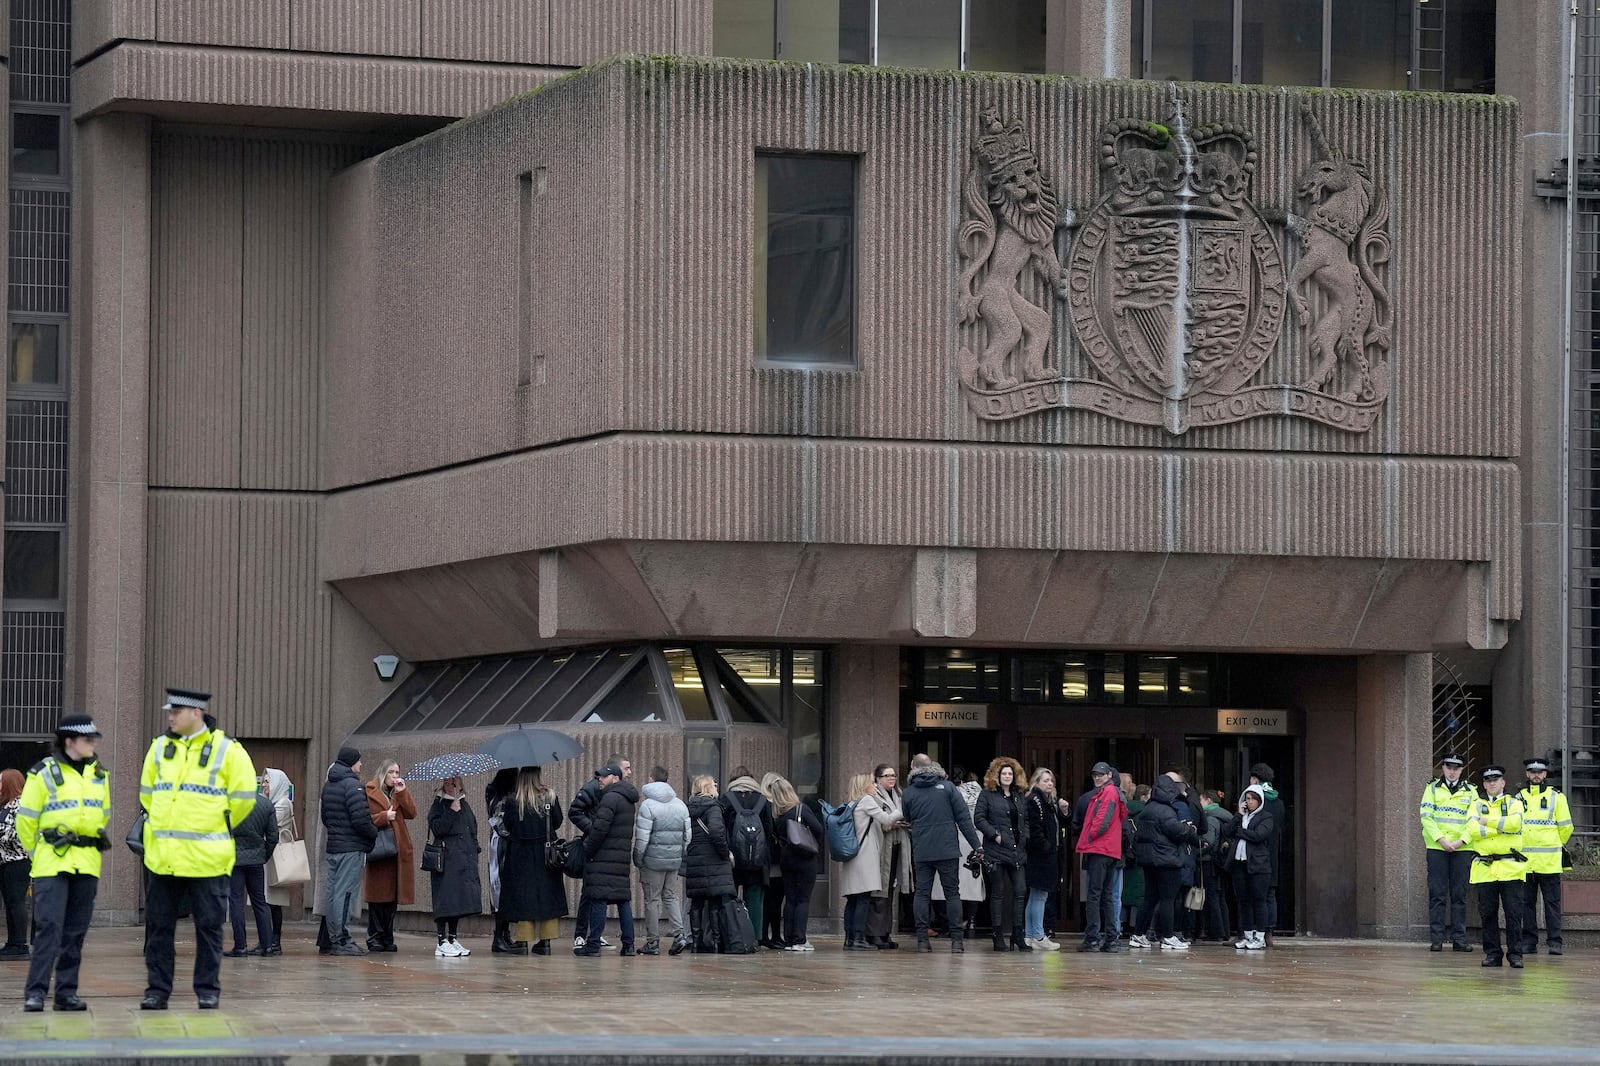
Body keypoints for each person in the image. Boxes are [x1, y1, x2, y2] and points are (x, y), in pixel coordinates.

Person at [138, 688, 257, 1010]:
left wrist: (215, 823)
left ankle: (207, 990)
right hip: (163, 859)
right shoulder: (159, 748)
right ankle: (157, 991)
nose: (170, 717)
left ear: (196, 714)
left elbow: (245, 798)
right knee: (159, 929)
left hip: (207, 860)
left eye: (175, 712)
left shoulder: (227, 750)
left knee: (209, 928)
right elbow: (147, 795)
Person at [15, 714, 111, 1011]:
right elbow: (25, 821)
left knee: (75, 932)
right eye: (87, 739)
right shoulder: (43, 772)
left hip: (87, 862)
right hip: (51, 863)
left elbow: (102, 814)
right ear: (69, 741)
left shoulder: (99, 774)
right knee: (49, 929)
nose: (92, 743)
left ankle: (66, 993)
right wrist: (37, 852)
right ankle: (35, 992)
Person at [902, 754, 984, 953]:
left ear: (914, 768)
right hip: (947, 848)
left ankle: (922, 940)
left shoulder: (909, 792)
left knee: (922, 894)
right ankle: (957, 941)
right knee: (952, 893)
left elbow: (908, 817)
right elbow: (963, 819)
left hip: (922, 848)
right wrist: (977, 846)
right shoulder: (948, 788)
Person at [1454, 765, 1526, 968]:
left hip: (1511, 867)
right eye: (1488, 781)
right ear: (1484, 784)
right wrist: (1499, 827)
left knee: (1513, 913)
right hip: (1485, 868)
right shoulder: (1476, 804)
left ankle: (1515, 955)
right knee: (1487, 914)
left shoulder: (1514, 802)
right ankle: (1493, 954)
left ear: (1503, 782)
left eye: (1496, 780)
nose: (1492, 783)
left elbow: (1515, 825)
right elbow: (1472, 830)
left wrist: (1486, 821)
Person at [497, 766, 566, 956]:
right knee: (547, 896)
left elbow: (507, 825)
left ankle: (522, 942)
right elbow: (557, 821)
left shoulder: (514, 800)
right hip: (546, 853)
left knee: (523, 896)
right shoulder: (549, 797)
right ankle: (545, 943)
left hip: (520, 855)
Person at [319, 746, 377, 957]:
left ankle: (334, 937)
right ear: (352, 762)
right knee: (345, 895)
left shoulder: (329, 785)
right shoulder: (353, 786)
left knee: (334, 894)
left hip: (334, 846)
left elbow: (325, 817)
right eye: (359, 761)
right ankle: (342, 939)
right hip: (351, 848)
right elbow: (361, 819)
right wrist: (374, 832)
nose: (361, 765)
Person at [576, 762, 639, 957]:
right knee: (623, 901)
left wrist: (587, 849)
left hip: (603, 857)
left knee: (598, 899)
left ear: (615, 778)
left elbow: (599, 829)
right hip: (620, 858)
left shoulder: (610, 798)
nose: (600, 780)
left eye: (604, 777)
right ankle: (628, 945)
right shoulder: (628, 799)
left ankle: (593, 944)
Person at [1129, 773, 1197, 951]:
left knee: (1149, 898)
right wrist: (1189, 829)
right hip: (1166, 860)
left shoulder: (1147, 810)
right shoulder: (1166, 811)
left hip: (1148, 860)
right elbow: (1177, 831)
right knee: (1168, 899)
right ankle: (1168, 936)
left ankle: (1138, 935)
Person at [1419, 753, 1476, 952]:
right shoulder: (1432, 788)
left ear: (1462, 770)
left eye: (1456, 768)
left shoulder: (1471, 791)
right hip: (1437, 847)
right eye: (1449, 767)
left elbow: (1474, 820)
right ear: (1443, 768)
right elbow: (1426, 816)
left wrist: (1461, 841)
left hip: (1462, 848)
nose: (1452, 771)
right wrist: (1442, 840)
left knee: (1459, 894)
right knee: (1437, 894)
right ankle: (1437, 939)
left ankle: (1459, 939)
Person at [1517, 756, 1572, 956]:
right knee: (1526, 905)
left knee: (1552, 904)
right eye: (1532, 772)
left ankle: (1555, 942)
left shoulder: (1557, 797)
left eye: (1539, 772)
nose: (1536, 775)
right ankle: (1529, 942)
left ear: (1545, 774)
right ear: (1527, 774)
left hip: (1549, 862)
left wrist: (1553, 844)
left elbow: (1566, 827)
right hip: (1526, 863)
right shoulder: (1518, 797)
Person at [634, 766, 690, 956]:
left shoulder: (648, 805)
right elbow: (687, 837)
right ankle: (680, 935)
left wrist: (638, 859)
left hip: (652, 861)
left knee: (652, 900)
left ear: (651, 779)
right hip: (673, 861)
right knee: (671, 896)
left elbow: (642, 839)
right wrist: (679, 854)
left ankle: (653, 942)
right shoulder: (680, 804)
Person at [974, 756, 1028, 952]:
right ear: (996, 775)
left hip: (1017, 851)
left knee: (1020, 891)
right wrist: (994, 835)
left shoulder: (1019, 795)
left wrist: (1025, 837)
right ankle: (997, 936)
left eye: (1010, 773)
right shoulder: (987, 794)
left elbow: (1025, 820)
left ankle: (1018, 934)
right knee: (997, 893)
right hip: (995, 850)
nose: (1007, 776)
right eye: (1003, 773)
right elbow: (978, 818)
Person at [363, 760, 417, 953]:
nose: (395, 776)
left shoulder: (397, 793)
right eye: (392, 772)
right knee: (378, 899)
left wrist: (402, 792)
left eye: (397, 772)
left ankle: (387, 937)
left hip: (397, 850)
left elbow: (412, 813)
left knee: (392, 899)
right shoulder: (370, 792)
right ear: (383, 773)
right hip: (380, 850)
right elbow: (364, 819)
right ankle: (375, 937)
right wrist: (384, 817)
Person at [720, 766, 776, 947]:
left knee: (729, 898)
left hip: (732, 859)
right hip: (758, 860)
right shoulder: (762, 800)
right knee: (755, 899)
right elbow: (769, 831)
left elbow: (721, 828)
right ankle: (754, 938)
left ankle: (731, 937)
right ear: (752, 780)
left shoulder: (726, 800)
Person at [1074, 761, 1126, 953]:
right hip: (1109, 850)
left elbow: (1102, 822)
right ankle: (1110, 938)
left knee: (1095, 895)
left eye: (1101, 775)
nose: (1097, 778)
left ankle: (1094, 938)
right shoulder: (1111, 792)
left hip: (1100, 849)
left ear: (1109, 775)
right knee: (1106, 896)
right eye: (1095, 775)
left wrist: (1088, 837)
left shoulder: (1108, 793)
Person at [427, 776, 482, 956]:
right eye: (448, 783)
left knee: (457, 901)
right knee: (445, 899)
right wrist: (451, 811)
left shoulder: (464, 802)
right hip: (446, 859)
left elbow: (472, 827)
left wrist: (474, 850)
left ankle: (452, 937)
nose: (451, 786)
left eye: (455, 783)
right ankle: (441, 940)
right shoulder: (439, 803)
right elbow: (437, 828)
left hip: (462, 859)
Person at [224, 781, 278, 958]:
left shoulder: (230, 804)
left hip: (235, 859)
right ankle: (267, 945)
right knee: (260, 902)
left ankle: (240, 946)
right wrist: (264, 855)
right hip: (256, 859)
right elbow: (273, 836)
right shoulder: (266, 804)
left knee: (236, 902)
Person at [770, 775, 823, 950]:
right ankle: (800, 940)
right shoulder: (801, 809)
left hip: (786, 858)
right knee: (803, 899)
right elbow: (818, 829)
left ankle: (790, 939)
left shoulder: (777, 815)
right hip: (804, 858)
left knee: (790, 899)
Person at [683, 775, 734, 953]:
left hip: (695, 858)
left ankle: (696, 942)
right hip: (713, 860)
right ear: (708, 788)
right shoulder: (713, 807)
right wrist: (724, 853)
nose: (716, 787)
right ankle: (715, 941)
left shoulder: (688, 808)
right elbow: (716, 832)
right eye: (714, 784)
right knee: (714, 901)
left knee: (696, 901)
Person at [861, 764, 910, 949]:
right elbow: (880, 821)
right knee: (878, 892)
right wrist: (893, 823)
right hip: (881, 849)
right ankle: (874, 933)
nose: (892, 779)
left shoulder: (899, 794)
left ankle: (886, 932)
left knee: (891, 891)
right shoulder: (873, 796)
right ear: (878, 778)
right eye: (887, 775)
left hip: (898, 846)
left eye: (894, 775)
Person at [1222, 784, 1276, 950]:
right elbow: (1226, 831)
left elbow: (1259, 835)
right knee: (1243, 901)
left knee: (1259, 900)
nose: (1250, 802)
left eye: (1253, 799)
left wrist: (1240, 832)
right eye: (1247, 799)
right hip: (1239, 864)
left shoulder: (1266, 817)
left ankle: (1260, 936)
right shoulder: (1241, 816)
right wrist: (1238, 816)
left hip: (1258, 865)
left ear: (1259, 801)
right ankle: (1247, 934)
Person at [1020, 767, 1062, 951]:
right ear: (1036, 782)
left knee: (1036, 896)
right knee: (1039, 895)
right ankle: (1037, 934)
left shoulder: (1046, 801)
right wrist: (1047, 848)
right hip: (1040, 856)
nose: (1050, 784)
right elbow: (1035, 830)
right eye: (1045, 780)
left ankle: (1030, 935)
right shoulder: (1035, 801)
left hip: (1041, 855)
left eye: (1051, 781)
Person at [485, 767, 526, 954]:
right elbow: (501, 826)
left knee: (501, 892)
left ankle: (503, 934)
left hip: (497, 845)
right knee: (501, 891)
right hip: (502, 847)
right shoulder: (503, 800)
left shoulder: (495, 795)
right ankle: (499, 937)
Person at [1247, 763, 1287, 943]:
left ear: (1255, 779)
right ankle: (1269, 931)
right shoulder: (1278, 802)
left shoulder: (1257, 801)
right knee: (1269, 893)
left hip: (1255, 851)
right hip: (1272, 851)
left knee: (1252, 894)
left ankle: (1251, 930)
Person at [260, 769, 296, 955]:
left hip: (277, 858)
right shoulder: (270, 802)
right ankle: (266, 940)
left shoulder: (282, 803)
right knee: (266, 900)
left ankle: (275, 941)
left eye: (268, 782)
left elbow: (266, 825)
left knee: (274, 901)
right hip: (268, 857)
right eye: (264, 782)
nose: (264, 785)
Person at [0, 768, 30, 960]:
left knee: (16, 902)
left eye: (1, 781)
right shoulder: (6, 805)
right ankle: (12, 943)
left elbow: (14, 834)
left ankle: (19, 944)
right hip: (5, 861)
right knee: (10, 903)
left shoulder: (19, 806)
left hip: (17, 861)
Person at [1198, 789, 1232, 942]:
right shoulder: (1224, 816)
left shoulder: (1211, 818)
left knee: (1211, 896)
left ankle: (1216, 931)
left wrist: (1196, 853)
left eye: (1201, 801)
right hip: (1220, 862)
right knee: (1219, 897)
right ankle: (1224, 931)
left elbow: (1208, 841)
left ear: (1208, 801)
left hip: (1209, 862)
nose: (1199, 804)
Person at [759, 771, 787, 948]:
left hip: (765, 859)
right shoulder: (771, 807)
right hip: (774, 860)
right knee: (774, 899)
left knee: (768, 899)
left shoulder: (760, 804)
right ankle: (774, 935)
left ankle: (765, 935)